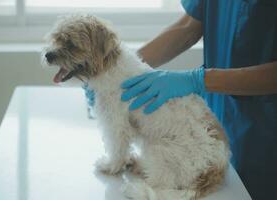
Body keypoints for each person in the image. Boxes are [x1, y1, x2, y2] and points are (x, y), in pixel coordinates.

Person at [85, 0, 277, 199]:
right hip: (214, 128)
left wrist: (198, 80)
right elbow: (188, 26)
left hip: (266, 136)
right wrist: (118, 70)